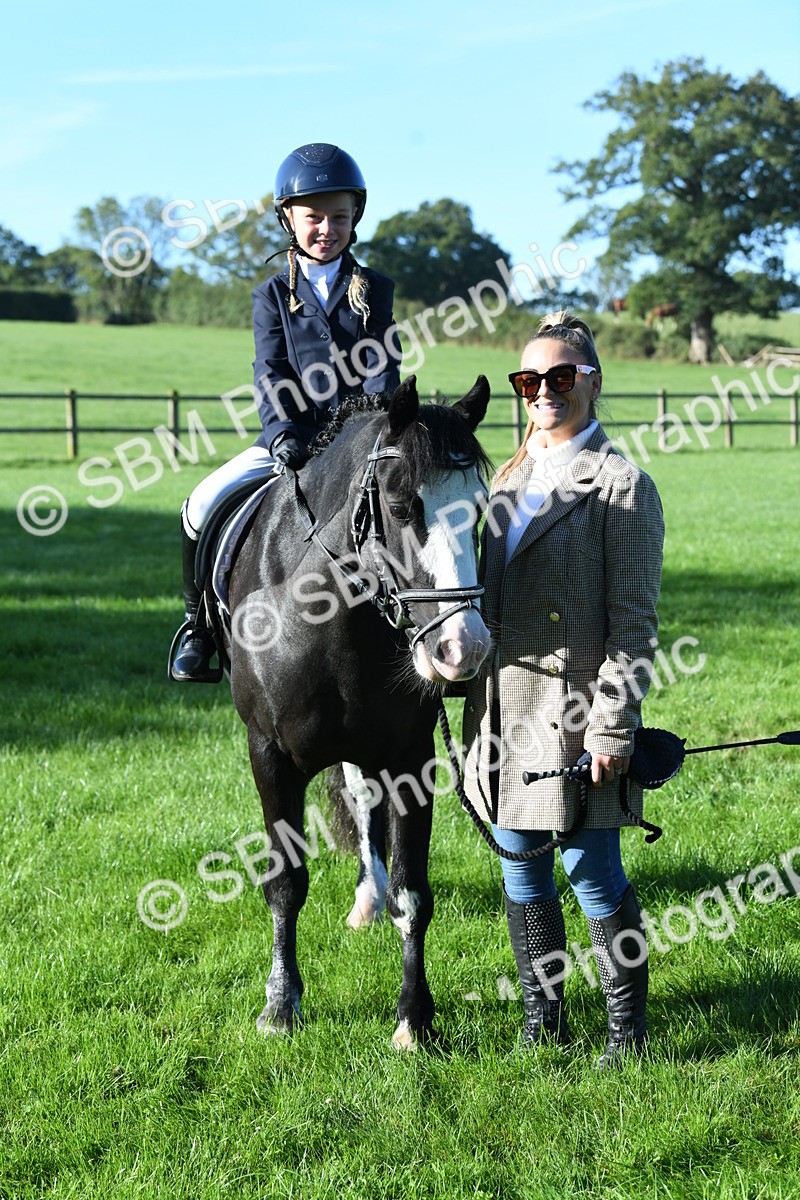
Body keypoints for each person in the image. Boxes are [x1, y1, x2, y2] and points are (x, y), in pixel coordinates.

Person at [462, 311, 664, 1067]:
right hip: (501, 707)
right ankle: (544, 1020)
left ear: (591, 381)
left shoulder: (623, 486)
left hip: (574, 716)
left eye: (559, 377)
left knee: (590, 869)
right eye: (529, 380)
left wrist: (612, 728)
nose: (543, 390)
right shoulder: (508, 476)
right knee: (519, 862)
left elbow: (635, 624)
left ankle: (626, 1034)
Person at [170, 143, 402, 681]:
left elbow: (381, 369)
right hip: (287, 440)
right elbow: (270, 370)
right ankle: (197, 627)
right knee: (200, 504)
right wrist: (280, 434)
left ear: (355, 218)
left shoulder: (375, 289)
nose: (327, 228)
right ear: (288, 220)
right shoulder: (271, 295)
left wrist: (375, 431)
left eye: (339, 217)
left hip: (360, 443)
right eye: (314, 217)